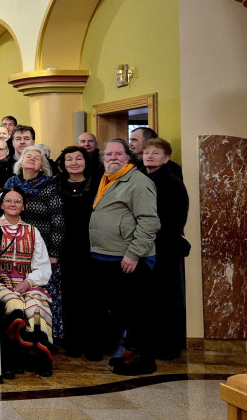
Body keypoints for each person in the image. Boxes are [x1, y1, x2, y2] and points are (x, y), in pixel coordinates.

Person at [88, 139, 160, 375]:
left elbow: (149, 222)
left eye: (119, 154)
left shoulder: (139, 182)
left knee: (138, 312)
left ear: (128, 158)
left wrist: (134, 253)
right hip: (106, 256)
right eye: (109, 154)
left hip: (129, 259)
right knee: (122, 312)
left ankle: (143, 360)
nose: (113, 157)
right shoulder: (106, 179)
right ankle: (128, 355)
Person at [0, 188, 55, 378]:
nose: (13, 204)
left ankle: (41, 357)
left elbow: (43, 265)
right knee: (15, 306)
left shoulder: (32, 231)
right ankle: (14, 357)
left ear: (23, 206)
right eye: (9, 201)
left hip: (28, 282)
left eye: (17, 201)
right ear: (2, 204)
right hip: (0, 281)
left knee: (37, 306)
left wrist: (29, 282)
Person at [4, 145, 66, 342]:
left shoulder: (49, 186)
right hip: (14, 247)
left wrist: (54, 252)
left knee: (43, 294)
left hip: (43, 249)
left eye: (36, 158)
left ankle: (45, 336)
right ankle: (18, 335)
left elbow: (58, 221)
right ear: (20, 162)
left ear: (42, 166)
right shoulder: (11, 183)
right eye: (27, 156)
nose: (31, 159)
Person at [141, 138, 190, 360]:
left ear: (166, 158)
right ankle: (148, 343)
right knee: (148, 298)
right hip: (144, 246)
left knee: (168, 298)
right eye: (146, 152)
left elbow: (175, 219)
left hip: (165, 246)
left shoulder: (172, 182)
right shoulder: (140, 178)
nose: (149, 156)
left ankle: (169, 347)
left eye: (155, 153)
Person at [54, 145, 99, 357]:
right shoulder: (56, 184)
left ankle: (93, 343)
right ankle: (73, 342)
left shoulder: (99, 183)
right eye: (69, 159)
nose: (73, 162)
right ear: (63, 164)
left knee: (92, 294)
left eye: (78, 158)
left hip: (93, 244)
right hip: (65, 245)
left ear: (86, 161)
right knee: (69, 294)